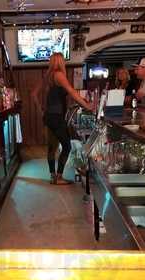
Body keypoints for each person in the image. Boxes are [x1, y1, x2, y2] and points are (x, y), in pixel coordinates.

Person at [32, 53, 92, 185]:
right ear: (60, 62)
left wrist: (41, 111)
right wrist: (87, 106)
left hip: (49, 116)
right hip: (57, 117)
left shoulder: (48, 76)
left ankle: (53, 176)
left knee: (51, 148)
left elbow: (34, 94)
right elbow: (71, 91)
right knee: (67, 146)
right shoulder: (59, 74)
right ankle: (59, 177)